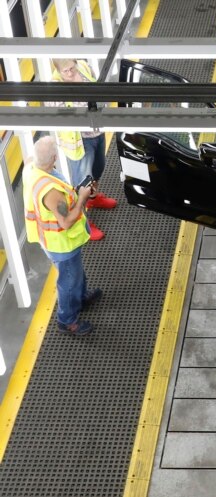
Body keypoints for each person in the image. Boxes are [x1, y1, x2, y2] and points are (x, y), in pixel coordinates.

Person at [23, 136, 102, 336]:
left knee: (75, 274)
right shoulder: (49, 191)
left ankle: (81, 297)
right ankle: (66, 320)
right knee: (68, 280)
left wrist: (77, 192)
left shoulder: (33, 168)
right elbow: (66, 222)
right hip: (61, 244)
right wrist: (83, 197)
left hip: (59, 241)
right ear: (54, 157)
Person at [50, 58, 118, 241]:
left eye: (72, 68)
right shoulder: (55, 89)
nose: (71, 73)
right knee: (82, 185)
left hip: (97, 133)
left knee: (98, 169)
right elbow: (59, 117)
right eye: (66, 71)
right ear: (58, 71)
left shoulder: (85, 67)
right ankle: (84, 224)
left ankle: (94, 199)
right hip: (80, 143)